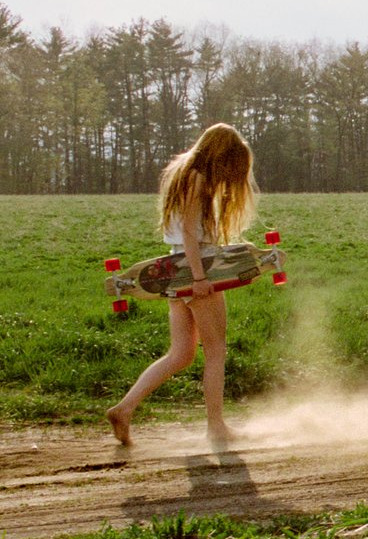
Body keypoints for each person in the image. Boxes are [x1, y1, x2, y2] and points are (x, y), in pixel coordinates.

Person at [108, 123, 257, 448]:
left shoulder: (183, 171)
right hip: (195, 269)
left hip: (176, 268)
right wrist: (201, 279)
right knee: (216, 351)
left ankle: (125, 408)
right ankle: (216, 427)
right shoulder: (198, 177)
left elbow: (186, 234)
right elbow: (190, 233)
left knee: (181, 354)